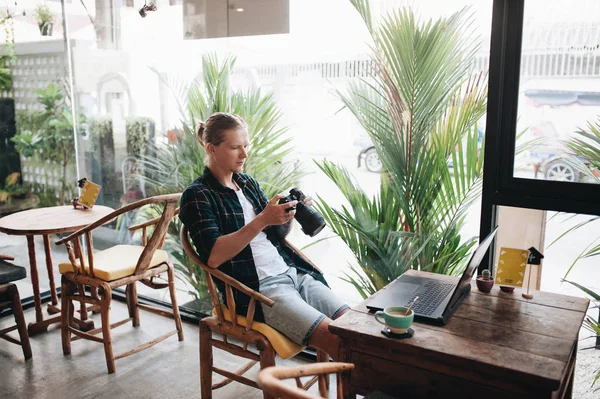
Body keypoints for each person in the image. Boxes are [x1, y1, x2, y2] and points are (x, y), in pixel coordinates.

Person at [179, 112, 349, 359]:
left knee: (353, 326)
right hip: (258, 291)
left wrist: (285, 216)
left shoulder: (247, 183)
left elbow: (274, 236)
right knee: (337, 341)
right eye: (235, 147)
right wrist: (262, 220)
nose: (244, 154)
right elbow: (214, 257)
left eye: (246, 146)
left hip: (293, 272)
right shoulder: (198, 195)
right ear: (211, 148)